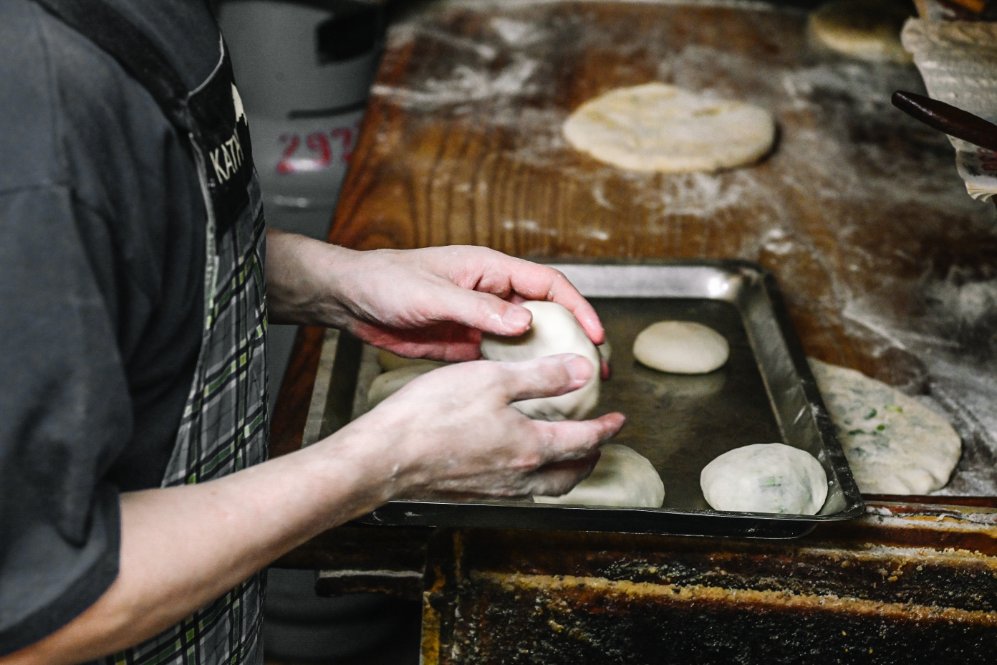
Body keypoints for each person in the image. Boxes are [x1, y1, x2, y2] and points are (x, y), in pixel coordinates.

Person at [0, 1, 625, 663]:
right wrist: (385, 461)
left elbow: (120, 240)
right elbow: (37, 603)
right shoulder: (34, 104)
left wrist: (335, 281)